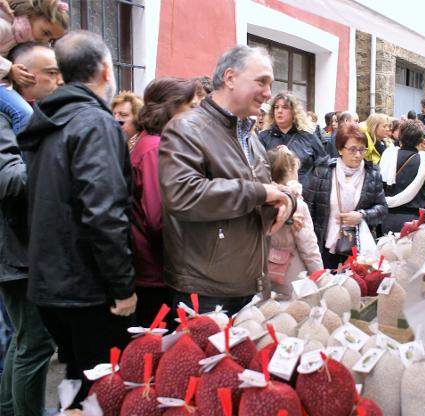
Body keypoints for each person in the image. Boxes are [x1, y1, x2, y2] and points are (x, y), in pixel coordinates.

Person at [17, 30, 136, 406]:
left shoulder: (50, 120)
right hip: (86, 289)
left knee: (75, 384)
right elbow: (103, 212)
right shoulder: (94, 123)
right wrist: (121, 285)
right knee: (98, 389)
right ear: (105, 70)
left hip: (51, 283)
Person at [158, 45, 295, 315]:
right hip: (205, 291)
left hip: (246, 284)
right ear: (230, 78)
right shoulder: (186, 129)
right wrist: (261, 193)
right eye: (261, 81)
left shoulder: (250, 136)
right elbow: (183, 195)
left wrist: (286, 201)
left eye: (270, 84)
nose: (268, 93)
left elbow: (262, 191)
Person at [0, 41, 59, 416]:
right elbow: (7, 179)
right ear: (23, 75)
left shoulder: (22, 113)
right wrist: (56, 167)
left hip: (19, 247)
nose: (58, 80)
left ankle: (8, 408)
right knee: (35, 344)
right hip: (15, 248)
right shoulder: (6, 115)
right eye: (50, 73)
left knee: (25, 341)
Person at [131, 77, 199, 328]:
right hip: (154, 270)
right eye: (191, 105)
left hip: (154, 268)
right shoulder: (155, 148)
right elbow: (158, 219)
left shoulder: (153, 143)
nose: (196, 112)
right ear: (170, 107)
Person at [305, 125, 387, 269]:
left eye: (362, 149)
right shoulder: (323, 171)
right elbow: (309, 208)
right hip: (325, 245)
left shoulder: (372, 174)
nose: (358, 154)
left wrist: (362, 215)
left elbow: (382, 209)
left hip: (359, 247)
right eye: (352, 149)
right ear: (340, 150)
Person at [0, 0, 68, 134]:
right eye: (45, 33)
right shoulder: (4, 27)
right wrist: (9, 69)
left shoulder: (19, 36)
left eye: (50, 40)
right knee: (23, 113)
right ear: (30, 15)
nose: (44, 41)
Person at [266, 147, 323, 297]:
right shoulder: (297, 205)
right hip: (294, 278)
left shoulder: (264, 203)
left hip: (266, 273)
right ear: (290, 172)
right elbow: (309, 248)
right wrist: (321, 277)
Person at [379, 120, 425, 234]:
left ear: (400, 137)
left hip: (388, 215)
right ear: (421, 140)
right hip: (415, 217)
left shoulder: (388, 155)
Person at [258, 91, 327, 188]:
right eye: (276, 107)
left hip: (305, 197)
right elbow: (258, 169)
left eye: (285, 107)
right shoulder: (263, 137)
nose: (279, 111)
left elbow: (323, 166)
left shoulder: (308, 136)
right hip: (274, 196)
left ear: (294, 112)